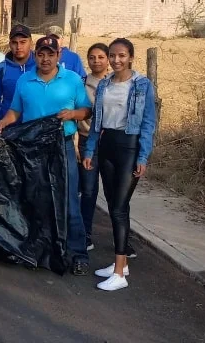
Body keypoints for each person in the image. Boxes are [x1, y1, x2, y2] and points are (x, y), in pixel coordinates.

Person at [0, 36, 92, 275]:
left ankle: (78, 253)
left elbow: (87, 110)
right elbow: (16, 111)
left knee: (68, 201)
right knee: (37, 198)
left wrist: (73, 114)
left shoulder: (72, 80)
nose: (45, 59)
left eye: (50, 54)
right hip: (33, 149)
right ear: (36, 55)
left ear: (58, 56)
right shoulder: (26, 80)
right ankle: (42, 249)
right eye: (41, 54)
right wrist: (3, 122)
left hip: (62, 147)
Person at [82, 38, 158, 292]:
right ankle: (121, 263)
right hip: (107, 146)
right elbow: (96, 124)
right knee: (116, 204)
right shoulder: (104, 84)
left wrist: (142, 156)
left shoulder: (142, 85)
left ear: (131, 57)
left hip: (129, 146)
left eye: (121, 55)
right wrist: (91, 150)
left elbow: (148, 123)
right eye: (112, 55)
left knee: (118, 207)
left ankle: (119, 273)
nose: (116, 60)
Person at [78, 43, 110, 252]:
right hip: (86, 140)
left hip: (112, 144)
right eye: (92, 57)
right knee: (88, 191)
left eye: (100, 57)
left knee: (114, 193)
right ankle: (85, 233)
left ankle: (122, 240)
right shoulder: (81, 84)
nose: (96, 61)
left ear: (108, 59)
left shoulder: (118, 83)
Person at [0, 25, 35, 122]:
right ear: (10, 44)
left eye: (23, 42)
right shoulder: (1, 69)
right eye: (14, 43)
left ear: (31, 42)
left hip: (36, 128)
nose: (18, 47)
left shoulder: (40, 66)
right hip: (9, 128)